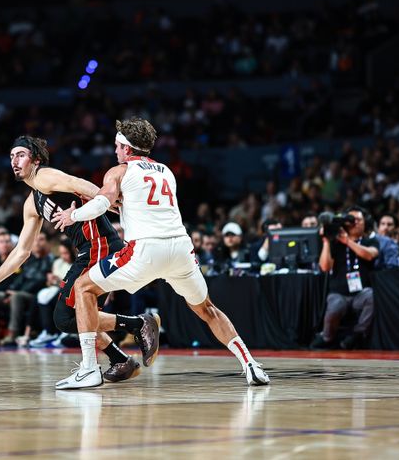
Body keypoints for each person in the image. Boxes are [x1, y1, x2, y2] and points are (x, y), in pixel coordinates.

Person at [50, 118, 270, 389]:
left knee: (83, 288)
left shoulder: (118, 171)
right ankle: (250, 364)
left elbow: (102, 201)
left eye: (118, 146)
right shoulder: (166, 171)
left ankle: (88, 369)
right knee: (207, 309)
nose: (115, 151)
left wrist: (73, 215)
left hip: (145, 250)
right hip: (180, 248)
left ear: (127, 149)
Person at [0, 135, 156, 384]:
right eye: (11, 156)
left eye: (20, 154)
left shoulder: (44, 176)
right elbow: (21, 252)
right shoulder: (32, 203)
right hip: (90, 250)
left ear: (35, 159)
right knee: (78, 316)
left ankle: (137, 324)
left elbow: (77, 182)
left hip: (100, 246)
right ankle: (121, 359)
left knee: (65, 318)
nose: (14, 160)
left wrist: (109, 201)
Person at [311, 206, 379, 350]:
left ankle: (356, 336)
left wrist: (347, 241)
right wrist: (326, 241)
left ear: (365, 223)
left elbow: (370, 254)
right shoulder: (335, 243)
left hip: (360, 293)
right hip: (339, 293)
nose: (355, 223)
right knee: (335, 305)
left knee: (371, 296)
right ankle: (327, 337)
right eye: (351, 220)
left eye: (359, 220)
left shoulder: (369, 241)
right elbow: (325, 267)